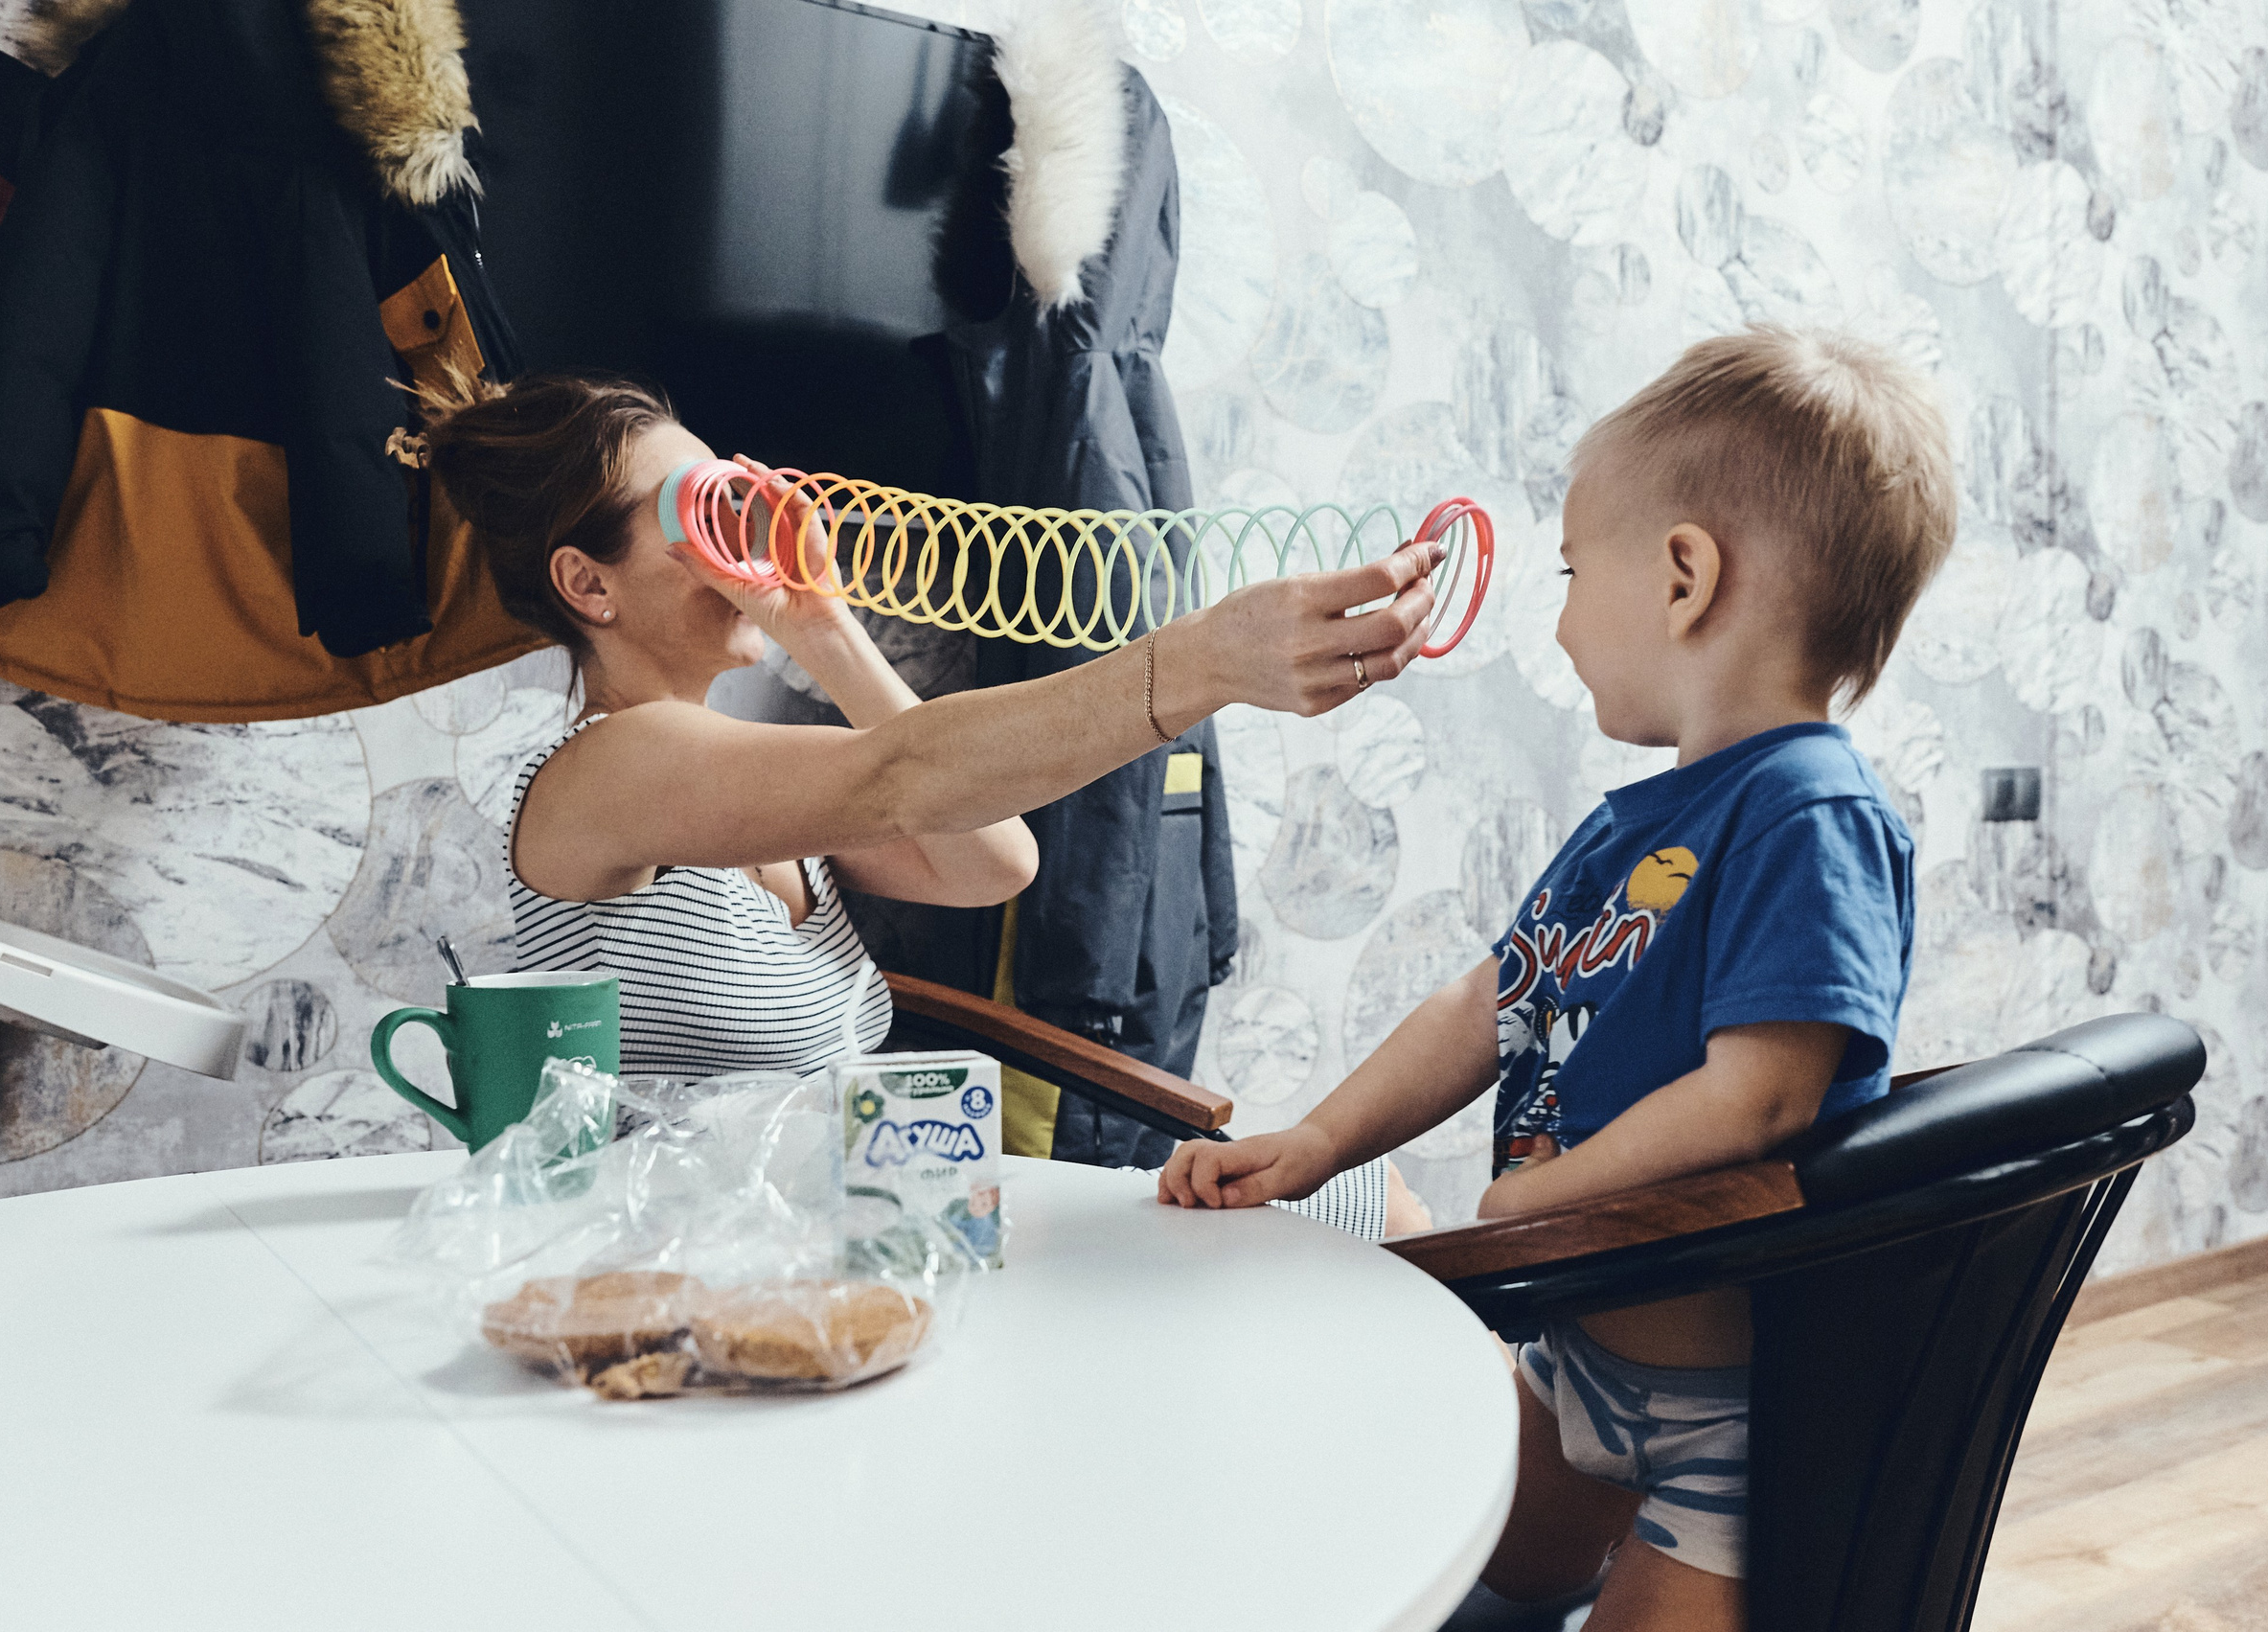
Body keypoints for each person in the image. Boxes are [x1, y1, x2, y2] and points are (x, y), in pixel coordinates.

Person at [1157, 326, 1956, 1632]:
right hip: (1573, 1355)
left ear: (1687, 574)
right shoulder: (1624, 829)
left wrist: (1538, 1197)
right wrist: (1313, 1138)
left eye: (1579, 571)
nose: (1566, 616)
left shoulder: (1810, 811)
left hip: (1732, 1421)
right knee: (1479, 1585)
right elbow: (1486, 1005)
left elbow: (1763, 1096)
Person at [410, 371, 1441, 1078]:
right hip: (700, 1275)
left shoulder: (745, 789)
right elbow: (907, 774)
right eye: (698, 513)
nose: (742, 534)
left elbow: (992, 860)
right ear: (588, 583)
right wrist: (1206, 660)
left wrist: (822, 626)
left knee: (1363, 1209)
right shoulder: (614, 767)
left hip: (821, 1236)